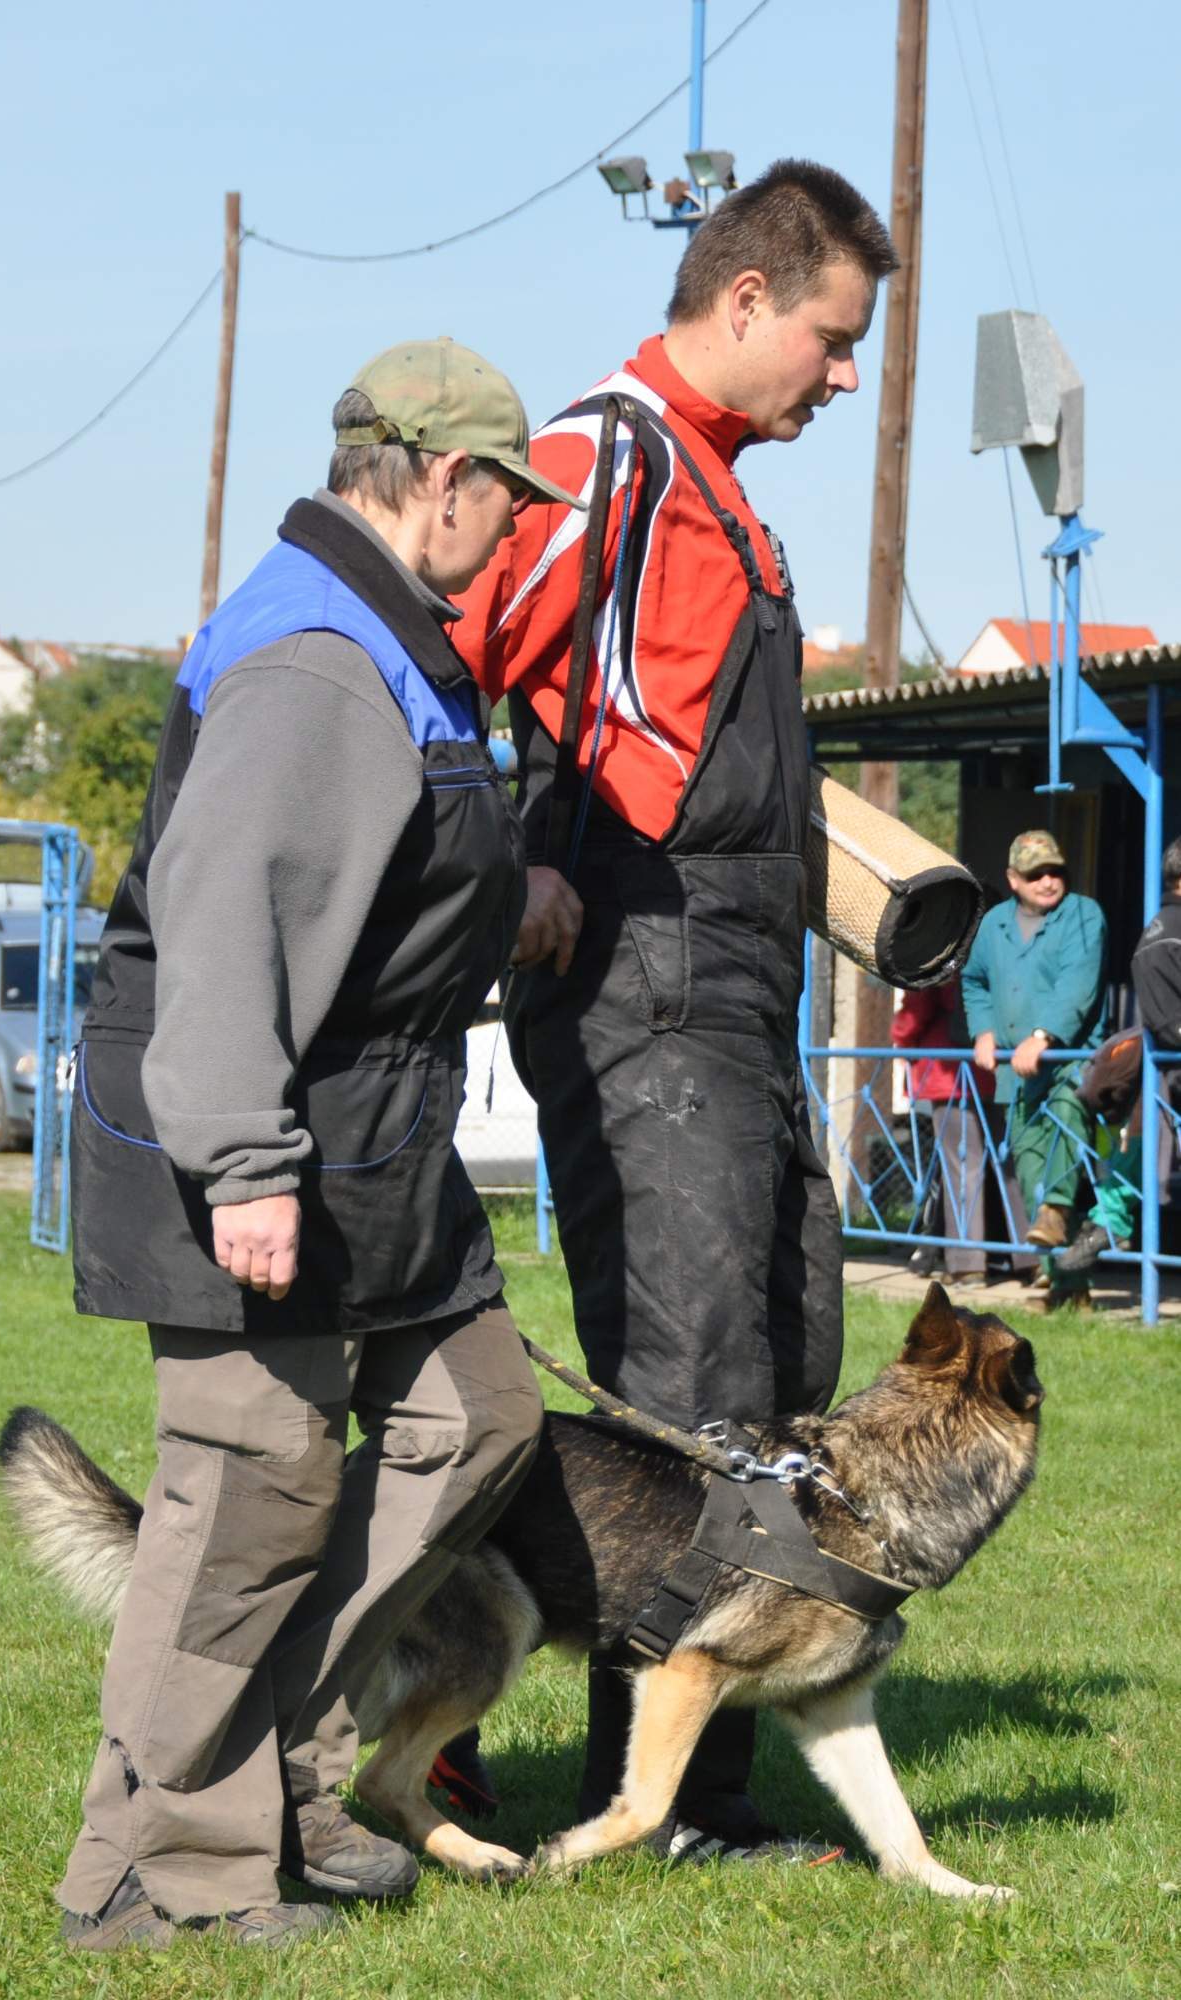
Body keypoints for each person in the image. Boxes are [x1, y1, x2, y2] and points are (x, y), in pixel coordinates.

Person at [56, 338, 581, 1952]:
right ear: (445, 476)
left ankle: (286, 1763)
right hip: (261, 1131)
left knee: (475, 1417)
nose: (515, 529)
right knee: (247, 1504)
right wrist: (242, 1163)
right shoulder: (315, 653)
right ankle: (158, 1877)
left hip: (372, 1136)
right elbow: (228, 920)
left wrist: (503, 898)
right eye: (508, 499)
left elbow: (375, 870)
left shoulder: (382, 633)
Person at [452, 159, 898, 1860]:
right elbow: (434, 661)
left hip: (738, 988)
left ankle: (690, 1774)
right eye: (831, 341)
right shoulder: (598, 464)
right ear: (744, 298)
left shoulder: (716, 490)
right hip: (643, 981)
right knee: (691, 1392)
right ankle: (657, 1801)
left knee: (785, 1359)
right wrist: (507, 864)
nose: (840, 379)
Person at [960, 830, 1107, 1308]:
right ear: (1013, 879)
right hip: (1015, 1074)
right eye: (1035, 873)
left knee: (1065, 1138)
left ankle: (1060, 1235)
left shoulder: (1083, 915)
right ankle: (1065, 1285)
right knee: (1029, 1171)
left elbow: (1078, 984)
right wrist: (983, 1031)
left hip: (1069, 1062)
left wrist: (1043, 1036)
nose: (1047, 881)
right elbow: (974, 981)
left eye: (1055, 871)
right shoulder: (994, 923)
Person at [1059, 833, 1181, 1274]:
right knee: (1139, 1151)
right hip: (1169, 1073)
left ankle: (1105, 1222)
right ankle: (1105, 1222)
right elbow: (1170, 1025)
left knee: (1138, 1153)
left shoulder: (1163, 933)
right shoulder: (1167, 937)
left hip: (1162, 1080)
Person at [891, 975, 995, 1288]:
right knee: (995, 1164)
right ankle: (1027, 1260)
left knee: (959, 1166)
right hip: (987, 1067)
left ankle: (967, 1264)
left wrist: (900, 1037)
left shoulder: (940, 960)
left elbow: (916, 1008)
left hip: (948, 1070)